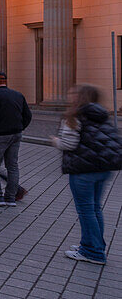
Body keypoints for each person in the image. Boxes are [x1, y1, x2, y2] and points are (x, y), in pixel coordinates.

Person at [52, 84, 122, 264]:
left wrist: (56, 141)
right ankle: (92, 244)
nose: (69, 97)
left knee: (86, 211)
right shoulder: (102, 115)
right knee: (95, 208)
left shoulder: (74, 116)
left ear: (79, 97)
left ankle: (93, 251)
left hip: (83, 171)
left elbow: (69, 144)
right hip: (103, 170)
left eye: (72, 94)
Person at [0, 71, 32, 207]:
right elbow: (28, 115)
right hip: (16, 134)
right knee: (12, 166)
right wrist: (20, 127)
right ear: (5, 81)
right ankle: (10, 198)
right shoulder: (18, 95)